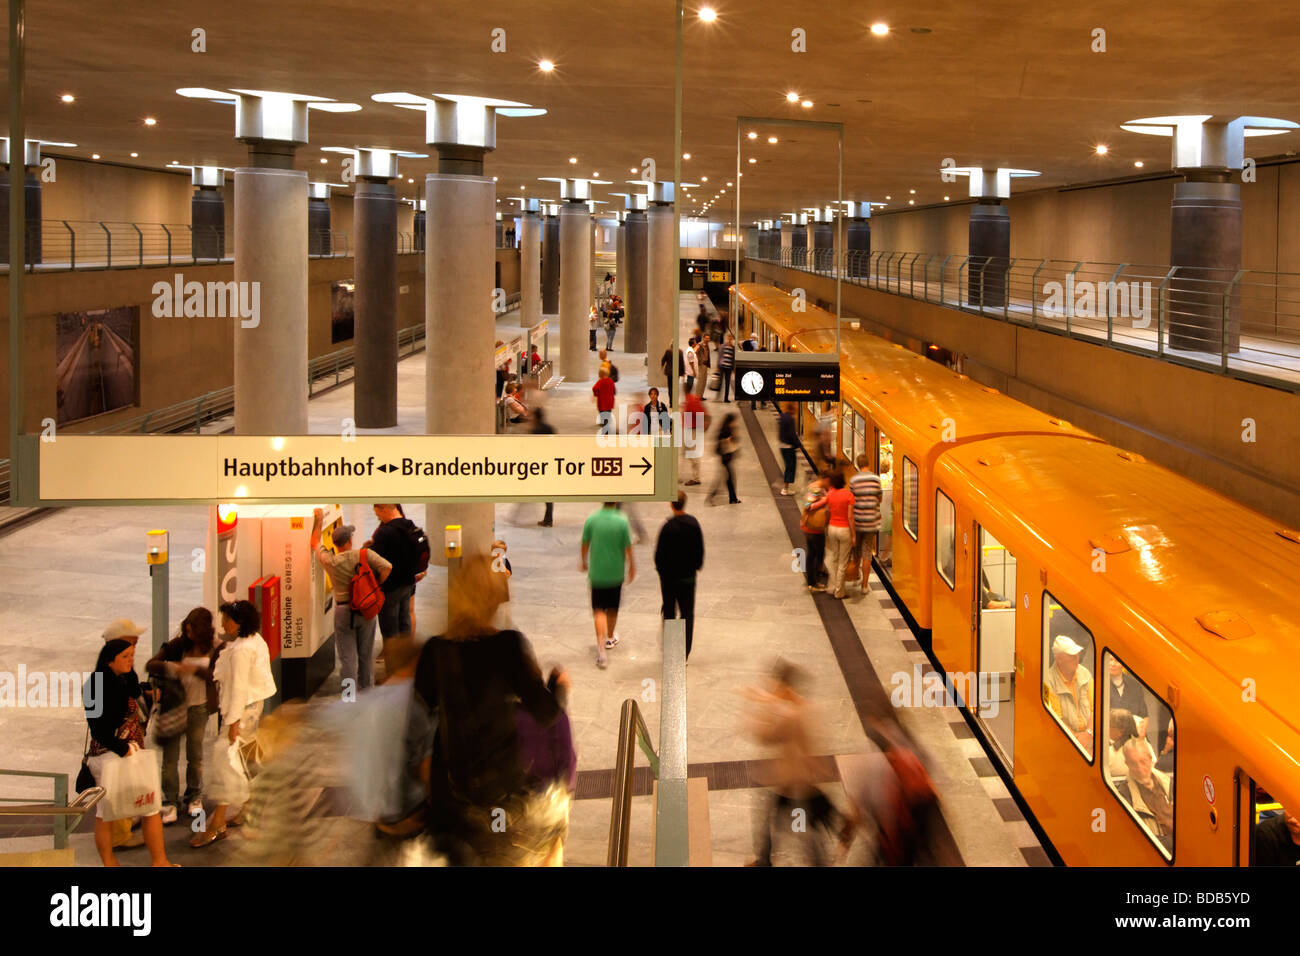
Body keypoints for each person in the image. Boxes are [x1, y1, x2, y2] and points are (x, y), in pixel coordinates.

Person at [414, 553, 573, 865]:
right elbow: (546, 712)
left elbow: (424, 706)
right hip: (500, 790)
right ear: (491, 599)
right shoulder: (508, 646)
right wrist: (560, 686)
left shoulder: (436, 650)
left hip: (450, 795)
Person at [191, 600, 276, 848]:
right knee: (245, 758)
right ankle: (251, 806)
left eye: (228, 618)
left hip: (240, 711)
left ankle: (217, 822)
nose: (223, 622)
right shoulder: (253, 641)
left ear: (240, 622)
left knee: (227, 763)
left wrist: (232, 723)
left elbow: (238, 688)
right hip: (251, 707)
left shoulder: (241, 651)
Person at [84, 638, 174, 866]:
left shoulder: (124, 679)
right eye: (125, 657)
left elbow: (136, 694)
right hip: (109, 756)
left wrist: (132, 675)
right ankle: (109, 862)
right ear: (109, 660)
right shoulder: (94, 686)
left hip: (132, 754)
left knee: (150, 807)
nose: (130, 660)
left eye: (132, 656)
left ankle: (160, 861)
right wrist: (123, 749)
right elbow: (98, 730)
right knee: (105, 814)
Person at [745, 660, 841, 866]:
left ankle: (767, 861)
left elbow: (764, 735)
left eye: (776, 685)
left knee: (799, 829)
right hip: (800, 780)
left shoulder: (792, 717)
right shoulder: (806, 707)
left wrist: (758, 705)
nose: (773, 689)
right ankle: (764, 859)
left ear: (786, 687)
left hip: (794, 783)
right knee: (788, 825)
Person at [146, 607, 218, 823]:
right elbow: (151, 664)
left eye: (192, 631)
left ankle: (194, 797)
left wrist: (194, 670)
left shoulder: (216, 647)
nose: (189, 635)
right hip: (174, 706)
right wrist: (172, 667)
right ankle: (169, 801)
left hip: (200, 707)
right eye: (186, 630)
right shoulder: (178, 644)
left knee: (195, 756)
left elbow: (216, 676)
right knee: (170, 759)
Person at [311, 510, 392, 692]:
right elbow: (387, 567)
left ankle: (349, 696)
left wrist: (318, 521)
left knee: (347, 658)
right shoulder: (364, 555)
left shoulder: (331, 561)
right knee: (365, 654)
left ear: (336, 543)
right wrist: (376, 587)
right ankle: (367, 692)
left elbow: (314, 543)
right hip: (366, 609)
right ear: (349, 541)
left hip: (343, 612)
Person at [581, 502, 635, 669]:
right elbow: (628, 546)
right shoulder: (622, 521)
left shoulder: (591, 519)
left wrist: (583, 561)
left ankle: (600, 647)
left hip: (597, 573)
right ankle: (610, 637)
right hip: (615, 572)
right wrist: (632, 565)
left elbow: (585, 543)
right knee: (612, 608)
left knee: (598, 610)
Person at [367, 504, 424, 653]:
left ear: (384, 510)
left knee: (390, 631)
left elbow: (375, 560)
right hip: (408, 584)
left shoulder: (383, 533)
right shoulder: (409, 526)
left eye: (378, 514)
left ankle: (392, 670)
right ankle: (405, 665)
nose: (378, 517)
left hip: (390, 588)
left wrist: (365, 550)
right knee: (405, 622)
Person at [654, 492, 705, 659]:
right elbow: (700, 550)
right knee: (687, 614)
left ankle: (671, 651)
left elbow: (659, 555)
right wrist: (695, 567)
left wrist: (661, 572)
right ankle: (684, 654)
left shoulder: (667, 527)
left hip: (668, 580)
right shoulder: (693, 524)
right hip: (688, 578)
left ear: (671, 504)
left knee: (669, 613)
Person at [1119, 737, 1174, 852]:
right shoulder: (1125, 796)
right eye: (1133, 763)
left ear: (1150, 759)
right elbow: (1137, 841)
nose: (1139, 769)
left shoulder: (1170, 783)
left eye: (1143, 762)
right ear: (1127, 764)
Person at [1043, 635, 1094, 754]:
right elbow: (1057, 720)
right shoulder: (1048, 681)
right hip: (1065, 738)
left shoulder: (1084, 673)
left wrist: (1089, 733)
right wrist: (1078, 740)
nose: (1077, 659)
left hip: (1091, 733)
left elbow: (1095, 708)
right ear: (1058, 658)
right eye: (1072, 656)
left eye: (1077, 655)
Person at [849, 454, 883, 588]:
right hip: (871, 522)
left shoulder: (854, 480)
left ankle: (856, 577)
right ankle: (864, 586)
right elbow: (879, 498)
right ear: (868, 464)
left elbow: (851, 502)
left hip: (857, 522)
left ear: (858, 465)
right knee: (867, 554)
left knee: (856, 552)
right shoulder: (876, 479)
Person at [823, 471, 856, 599]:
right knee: (843, 562)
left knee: (834, 559)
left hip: (832, 528)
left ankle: (832, 586)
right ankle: (839, 591)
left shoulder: (830, 494)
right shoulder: (849, 495)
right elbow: (850, 517)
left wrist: (826, 527)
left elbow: (827, 511)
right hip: (844, 530)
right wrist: (853, 535)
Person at [800, 473, 830, 591]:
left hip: (813, 527)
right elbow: (807, 505)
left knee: (815, 554)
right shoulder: (816, 489)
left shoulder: (817, 488)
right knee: (814, 554)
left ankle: (814, 581)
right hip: (813, 527)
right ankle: (813, 583)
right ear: (825, 478)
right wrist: (824, 500)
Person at [708, 410, 742, 505]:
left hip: (725, 457)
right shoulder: (727, 431)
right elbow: (731, 443)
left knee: (728, 479)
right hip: (726, 457)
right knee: (726, 479)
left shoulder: (725, 429)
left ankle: (732, 498)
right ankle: (712, 496)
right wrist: (734, 433)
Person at [531, 407, 557, 527]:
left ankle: (548, 520)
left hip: (540, 465)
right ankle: (548, 518)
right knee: (549, 495)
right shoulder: (550, 428)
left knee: (547, 494)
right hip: (551, 461)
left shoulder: (535, 431)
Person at [680, 389, 709, 486]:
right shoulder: (691, 398)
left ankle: (696, 478)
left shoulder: (691, 400)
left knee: (692, 453)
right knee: (684, 452)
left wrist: (703, 425)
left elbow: (700, 413)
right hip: (689, 429)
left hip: (692, 430)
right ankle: (679, 475)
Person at [777, 403, 799, 495]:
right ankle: (785, 489)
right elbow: (792, 434)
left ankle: (785, 486)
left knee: (788, 466)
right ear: (793, 408)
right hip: (788, 447)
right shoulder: (790, 419)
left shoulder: (783, 416)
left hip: (782, 445)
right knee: (790, 467)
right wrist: (797, 444)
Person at [592, 366, 616, 433]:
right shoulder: (611, 381)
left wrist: (596, 394)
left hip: (602, 402)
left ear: (600, 374)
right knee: (608, 414)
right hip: (610, 402)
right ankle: (608, 426)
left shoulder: (600, 382)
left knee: (603, 415)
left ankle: (605, 429)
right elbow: (614, 391)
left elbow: (594, 388)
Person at [717, 333, 737, 402]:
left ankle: (726, 398)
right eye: (729, 337)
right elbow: (719, 356)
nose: (730, 339)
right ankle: (718, 396)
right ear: (727, 338)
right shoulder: (723, 346)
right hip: (722, 366)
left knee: (727, 383)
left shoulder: (733, 347)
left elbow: (733, 359)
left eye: (731, 338)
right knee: (720, 382)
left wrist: (733, 369)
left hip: (729, 367)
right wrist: (718, 366)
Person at [694, 332, 711, 397]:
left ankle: (701, 395)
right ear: (703, 338)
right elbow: (695, 351)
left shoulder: (707, 345)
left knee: (704, 381)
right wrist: (698, 360)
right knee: (700, 381)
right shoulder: (699, 345)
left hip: (706, 364)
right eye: (706, 338)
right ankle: (697, 396)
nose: (707, 339)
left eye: (708, 338)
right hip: (701, 364)